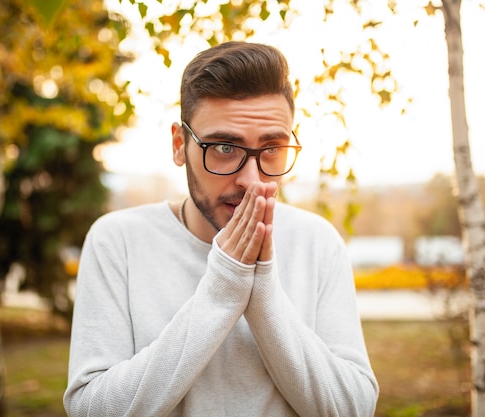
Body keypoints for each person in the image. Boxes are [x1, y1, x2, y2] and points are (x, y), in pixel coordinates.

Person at [63, 41, 378, 417]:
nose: (250, 179)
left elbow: (353, 408)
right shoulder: (117, 241)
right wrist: (223, 289)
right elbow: (91, 409)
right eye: (225, 148)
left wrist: (261, 293)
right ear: (180, 145)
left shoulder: (317, 242)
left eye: (272, 148)